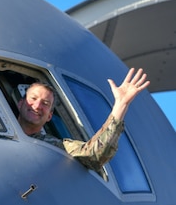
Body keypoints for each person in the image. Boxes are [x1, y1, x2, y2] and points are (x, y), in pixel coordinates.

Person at [17, 68, 149, 172]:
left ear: (49, 116)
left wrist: (121, 105)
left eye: (45, 104)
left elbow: (94, 155)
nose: (37, 106)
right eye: (33, 99)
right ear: (20, 103)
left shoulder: (53, 146)